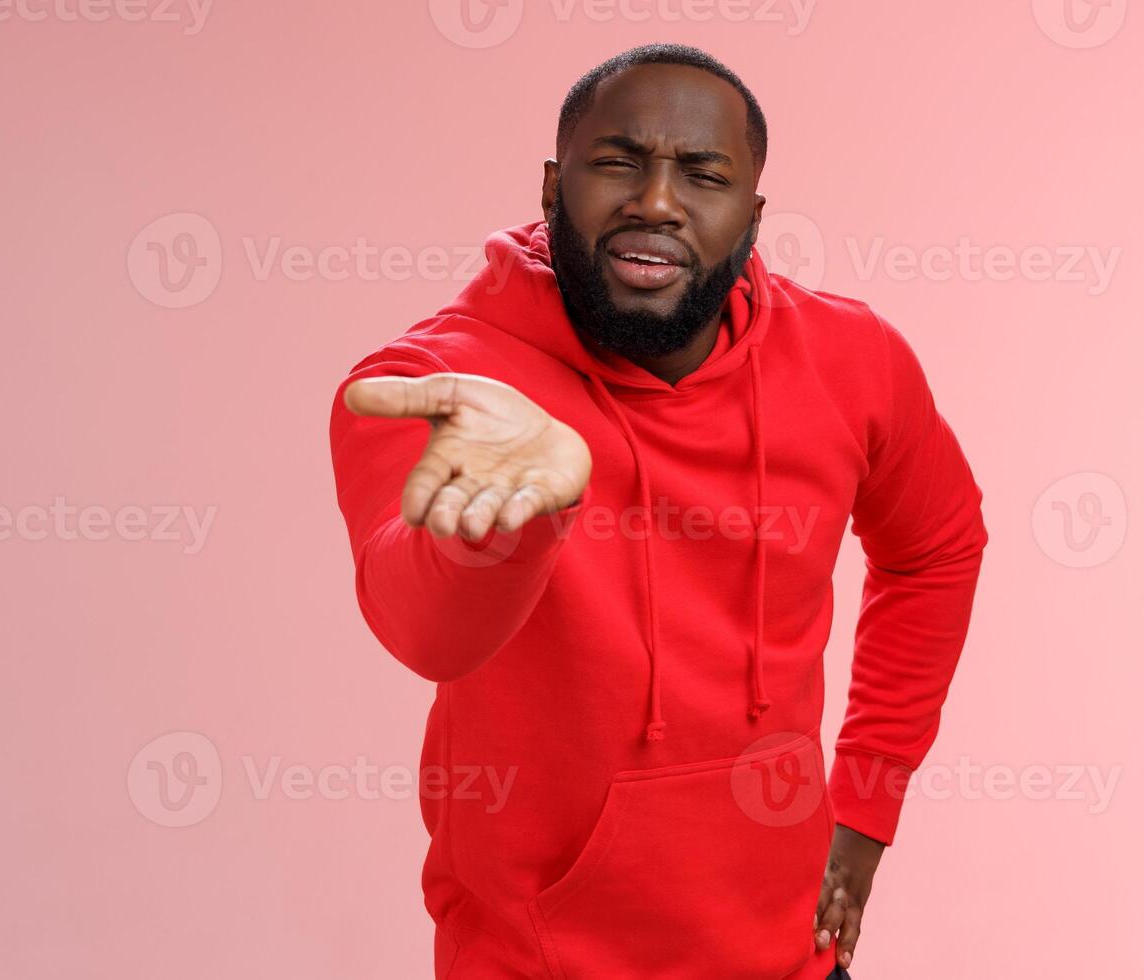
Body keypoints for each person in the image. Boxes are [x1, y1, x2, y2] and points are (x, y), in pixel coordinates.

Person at [328, 43, 987, 979]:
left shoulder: (855, 360)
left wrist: (866, 805)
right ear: (554, 187)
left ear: (752, 216)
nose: (658, 202)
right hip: (535, 964)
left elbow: (939, 549)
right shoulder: (438, 385)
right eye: (618, 163)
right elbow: (426, 630)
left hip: (789, 957)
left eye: (703, 175)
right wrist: (521, 517)